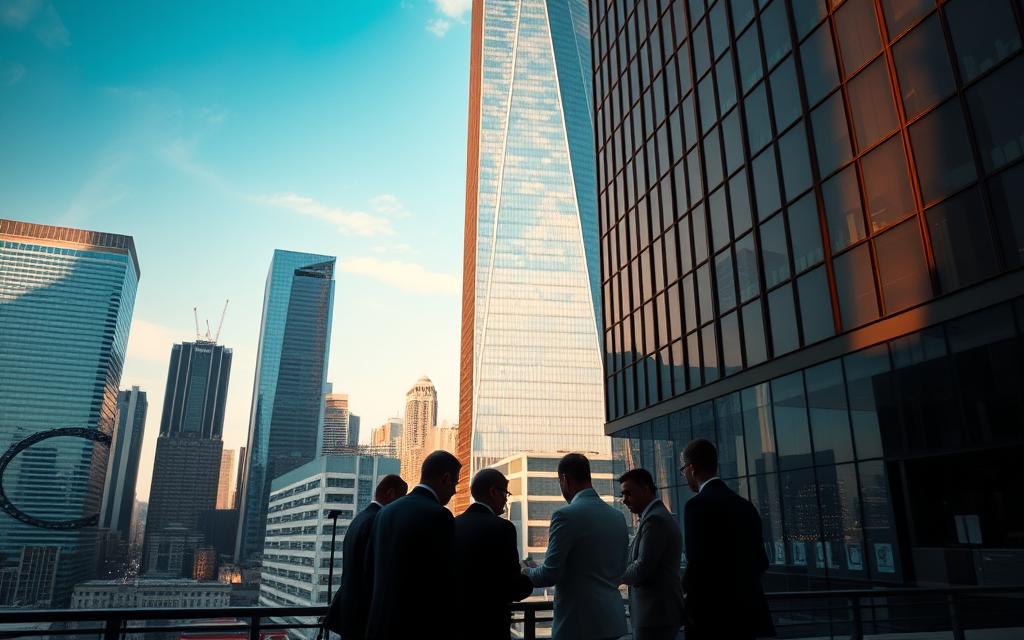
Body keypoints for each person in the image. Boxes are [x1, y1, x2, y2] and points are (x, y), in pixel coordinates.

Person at [524, 453, 628, 640]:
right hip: (612, 621)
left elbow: (550, 574)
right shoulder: (618, 517)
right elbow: (620, 570)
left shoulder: (564, 516)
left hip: (578, 624)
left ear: (565, 479)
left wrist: (525, 571)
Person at [680, 439, 774, 640]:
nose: (684, 475)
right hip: (747, 615)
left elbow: (696, 563)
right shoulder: (745, 506)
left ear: (692, 468)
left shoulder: (696, 506)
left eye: (683, 470)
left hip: (711, 617)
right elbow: (761, 562)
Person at [364, 450, 461, 640]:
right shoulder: (439, 515)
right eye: (455, 484)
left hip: (378, 627)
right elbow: (444, 582)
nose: (454, 491)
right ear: (445, 478)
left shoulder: (384, 512)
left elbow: (368, 570)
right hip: (416, 628)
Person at [323, 474, 408, 639]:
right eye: (401, 499)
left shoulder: (359, 519)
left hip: (350, 613)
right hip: (365, 617)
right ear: (391, 494)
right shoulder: (378, 521)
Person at [453, 468, 534, 640]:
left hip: (458, 626)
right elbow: (512, 587)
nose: (506, 499)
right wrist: (529, 577)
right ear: (493, 492)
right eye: (505, 493)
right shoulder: (503, 528)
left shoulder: (453, 524)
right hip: (491, 626)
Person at [618, 468, 684, 640]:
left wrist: (616, 576)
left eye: (628, 493)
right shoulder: (653, 517)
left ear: (645, 489)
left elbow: (642, 568)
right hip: (655, 614)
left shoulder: (655, 520)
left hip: (655, 615)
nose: (624, 500)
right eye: (622, 495)